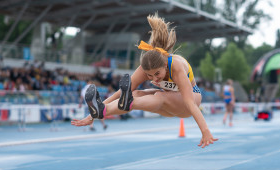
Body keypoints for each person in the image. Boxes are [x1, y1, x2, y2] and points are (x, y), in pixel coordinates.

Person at [72, 13, 217, 148]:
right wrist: (93, 115)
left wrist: (205, 131)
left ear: (165, 65)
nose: (154, 78)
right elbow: (120, 93)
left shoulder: (176, 66)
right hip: (169, 103)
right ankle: (104, 110)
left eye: (157, 74)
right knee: (136, 94)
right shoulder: (146, 65)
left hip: (191, 100)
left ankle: (131, 102)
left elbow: (190, 103)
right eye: (149, 75)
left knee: (158, 95)